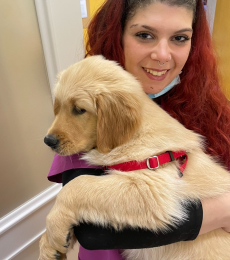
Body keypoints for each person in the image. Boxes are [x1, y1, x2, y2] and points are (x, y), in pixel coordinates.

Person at [47, 0, 230, 259]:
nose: (163, 55)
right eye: (145, 35)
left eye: (179, 38)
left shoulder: (213, 108)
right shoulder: (90, 110)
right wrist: (223, 209)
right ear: (117, 35)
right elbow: (94, 233)